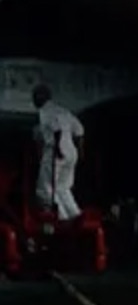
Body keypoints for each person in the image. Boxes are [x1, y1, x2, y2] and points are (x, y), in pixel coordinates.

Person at [31, 84, 86, 221]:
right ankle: (74, 214)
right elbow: (79, 131)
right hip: (71, 152)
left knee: (46, 188)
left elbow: (56, 130)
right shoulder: (64, 111)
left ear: (40, 97)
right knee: (63, 187)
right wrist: (81, 152)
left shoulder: (45, 111)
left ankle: (58, 217)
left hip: (56, 151)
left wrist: (58, 150)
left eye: (35, 97)